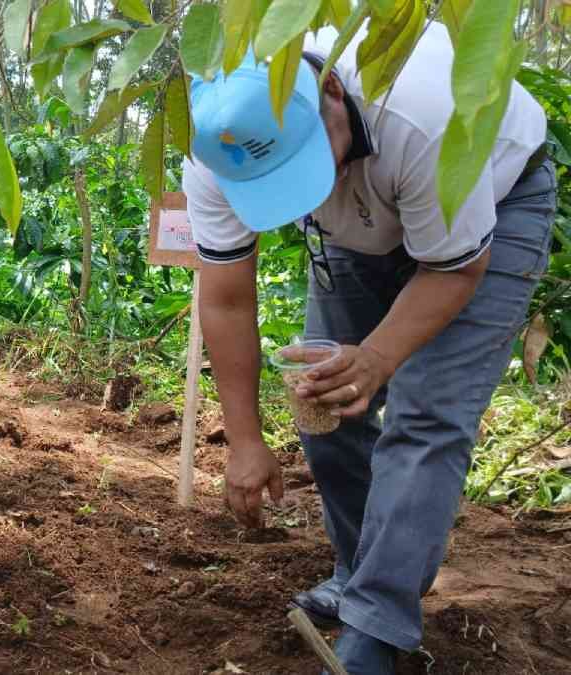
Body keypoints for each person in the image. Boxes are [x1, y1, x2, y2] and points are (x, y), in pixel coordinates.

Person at [182, 25, 551, 674]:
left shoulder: (422, 108)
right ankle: (362, 571)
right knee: (325, 406)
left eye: (306, 165)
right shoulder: (223, 145)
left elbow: (455, 272)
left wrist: (378, 357)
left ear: (331, 91)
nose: (309, 196)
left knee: (424, 416)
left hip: (489, 197)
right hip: (366, 225)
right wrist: (243, 440)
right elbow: (227, 297)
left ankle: (376, 630)